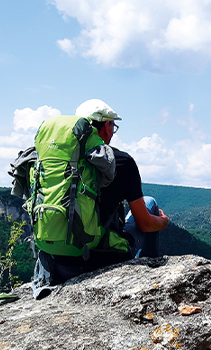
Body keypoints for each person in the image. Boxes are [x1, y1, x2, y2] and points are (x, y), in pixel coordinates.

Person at [29, 99, 169, 297]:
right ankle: (149, 275)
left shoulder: (49, 161)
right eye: (113, 125)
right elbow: (145, 224)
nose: (112, 131)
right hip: (99, 258)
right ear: (105, 126)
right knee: (150, 203)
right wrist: (163, 222)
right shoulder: (122, 162)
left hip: (56, 263)